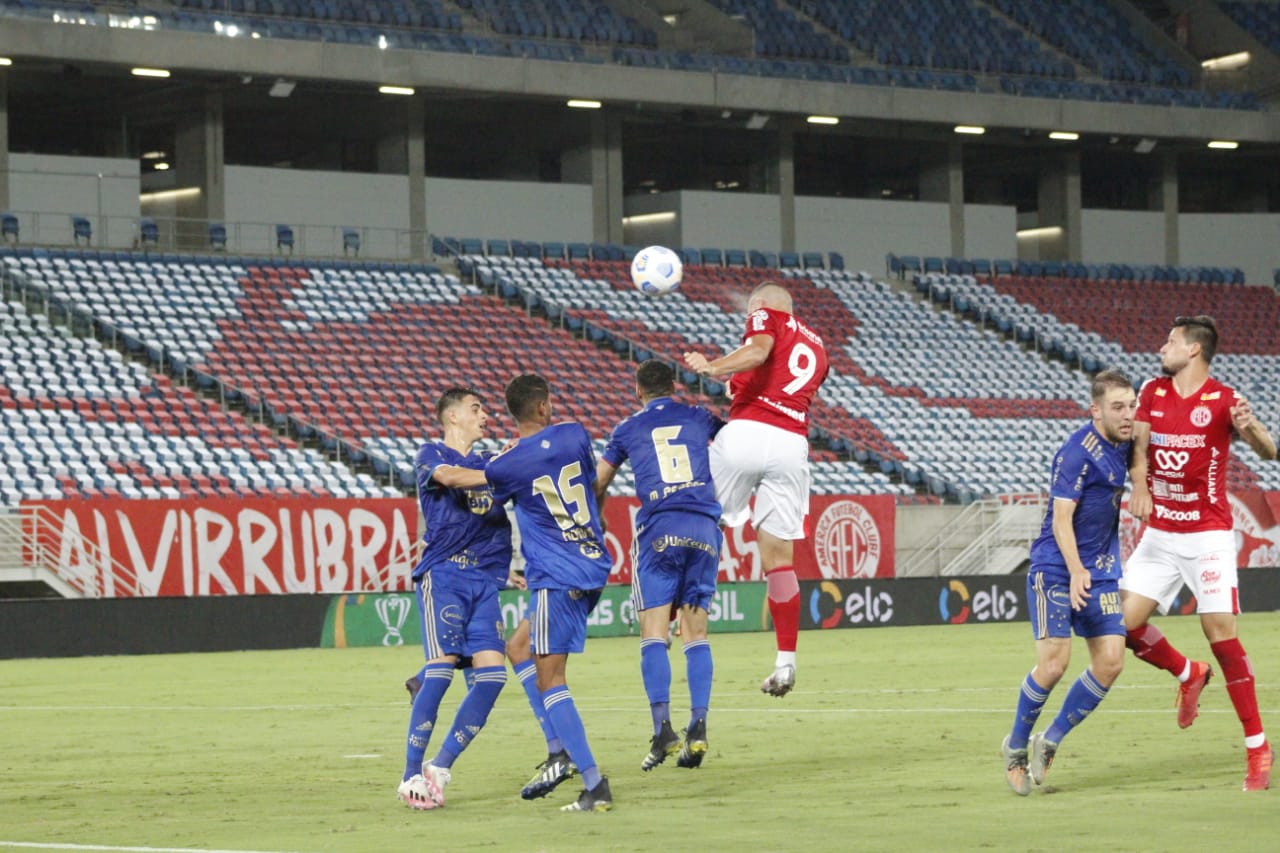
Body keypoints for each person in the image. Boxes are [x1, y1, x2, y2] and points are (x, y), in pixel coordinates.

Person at [1121, 315, 1278, 792]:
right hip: (1161, 534)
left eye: (1170, 341)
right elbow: (1140, 449)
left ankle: (1257, 748)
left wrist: (1249, 428)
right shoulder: (1153, 390)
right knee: (1120, 626)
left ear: (1193, 350)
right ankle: (1189, 673)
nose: (1161, 347)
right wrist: (1140, 486)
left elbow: (1270, 452)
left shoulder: (1225, 400)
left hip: (1208, 535)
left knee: (1221, 636)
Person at [453, 373, 615, 812]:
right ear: (543, 407)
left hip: (556, 577)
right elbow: (592, 481)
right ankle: (558, 748)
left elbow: (485, 485)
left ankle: (589, 778)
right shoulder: (574, 434)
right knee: (519, 646)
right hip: (592, 564)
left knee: (551, 681)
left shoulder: (507, 465)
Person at [683, 281, 830, 697]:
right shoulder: (818, 347)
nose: (749, 321)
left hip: (750, 433)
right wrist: (740, 383)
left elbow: (760, 350)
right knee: (780, 561)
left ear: (763, 306)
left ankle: (683, 613)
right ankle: (786, 663)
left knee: (701, 519)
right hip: (791, 445)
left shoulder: (767, 315)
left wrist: (714, 366)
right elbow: (779, 379)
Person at [1002, 369, 1136, 795]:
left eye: (1131, 405)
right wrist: (1077, 569)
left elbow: (1147, 442)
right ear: (1095, 411)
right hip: (1056, 568)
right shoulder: (1076, 452)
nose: (1128, 414)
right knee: (1054, 665)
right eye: (1118, 407)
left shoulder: (1129, 440)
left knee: (1112, 662)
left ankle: (1052, 738)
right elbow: (1061, 518)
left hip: (1102, 571)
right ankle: (1016, 747)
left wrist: (1146, 482)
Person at [595, 360, 725, 771]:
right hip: (704, 527)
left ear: (637, 391)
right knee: (696, 632)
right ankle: (699, 726)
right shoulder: (699, 416)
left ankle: (663, 729)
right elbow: (734, 443)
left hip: (661, 528)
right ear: (674, 386)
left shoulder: (627, 429)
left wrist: (597, 517)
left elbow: (598, 480)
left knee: (654, 632)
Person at [396, 387, 518, 810]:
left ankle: (440, 767)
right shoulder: (431, 453)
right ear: (452, 418)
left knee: (493, 678)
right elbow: (448, 479)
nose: (485, 414)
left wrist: (508, 571)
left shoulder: (487, 466)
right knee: (443, 671)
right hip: (444, 577)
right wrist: (503, 470)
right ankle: (410, 773)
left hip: (483, 582)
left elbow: (497, 520)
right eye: (476, 408)